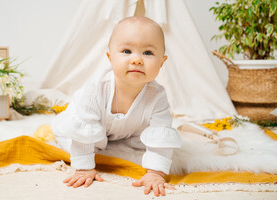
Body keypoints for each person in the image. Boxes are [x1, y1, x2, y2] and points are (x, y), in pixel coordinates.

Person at [51, 16, 183, 196]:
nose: (137, 59)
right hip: (87, 122)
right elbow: (83, 129)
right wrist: (83, 168)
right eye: (127, 51)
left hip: (124, 132)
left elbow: (161, 134)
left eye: (148, 53)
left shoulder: (157, 96)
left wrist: (155, 172)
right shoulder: (96, 88)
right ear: (110, 57)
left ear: (162, 62)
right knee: (69, 138)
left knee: (143, 143)